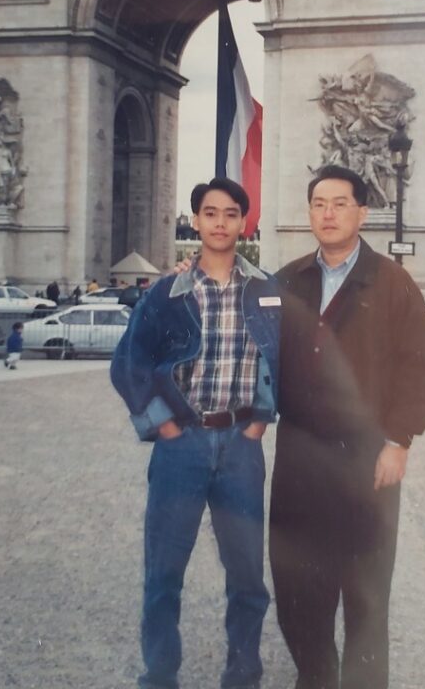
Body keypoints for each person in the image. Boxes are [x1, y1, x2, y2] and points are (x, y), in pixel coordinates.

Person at [269, 164, 425, 689]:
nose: (327, 213)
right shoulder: (286, 281)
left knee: (365, 594)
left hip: (367, 458)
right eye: (319, 203)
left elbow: (422, 370)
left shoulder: (394, 283)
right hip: (299, 456)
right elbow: (252, 352)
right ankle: (317, 678)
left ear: (363, 213)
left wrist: (398, 440)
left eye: (339, 203)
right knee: (298, 590)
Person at [111, 177, 281, 689]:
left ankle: (243, 671)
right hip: (181, 443)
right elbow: (129, 364)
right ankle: (160, 675)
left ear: (244, 221)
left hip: (240, 448)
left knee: (248, 574)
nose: (221, 223)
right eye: (211, 213)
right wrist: (162, 424)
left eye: (232, 213)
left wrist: (258, 421)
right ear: (197, 220)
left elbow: (285, 360)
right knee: (164, 572)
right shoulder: (167, 292)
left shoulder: (268, 291)